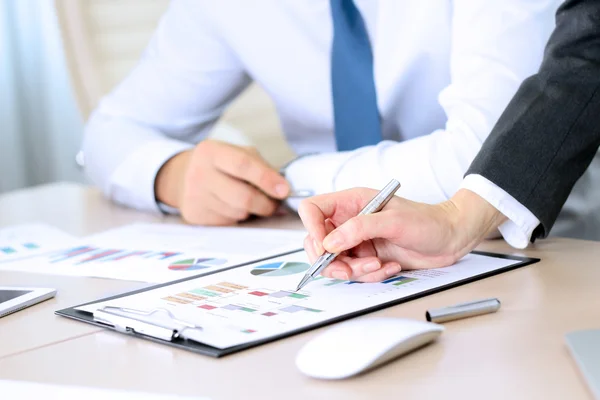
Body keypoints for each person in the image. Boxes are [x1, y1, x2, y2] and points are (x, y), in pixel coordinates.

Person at [82, 1, 560, 227]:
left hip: (541, 250)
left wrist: (288, 182)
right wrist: (173, 173)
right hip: (344, 255)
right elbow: (108, 133)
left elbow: (487, 160)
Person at [299, 0, 600, 283]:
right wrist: (455, 223)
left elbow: (469, 156)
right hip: (462, 249)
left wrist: (285, 177)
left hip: (555, 258)